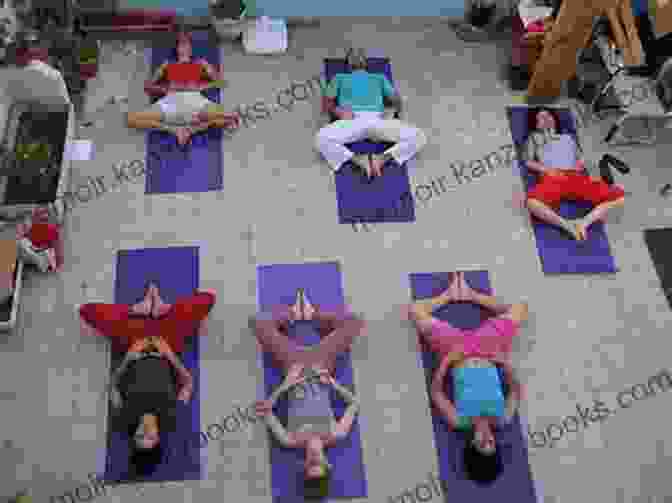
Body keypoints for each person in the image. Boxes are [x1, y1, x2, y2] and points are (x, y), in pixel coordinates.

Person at [77, 282, 216, 478]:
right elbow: (188, 383)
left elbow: (112, 388)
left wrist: (128, 358)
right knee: (207, 300)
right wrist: (168, 354)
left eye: (140, 436)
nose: (145, 430)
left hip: (135, 341)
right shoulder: (171, 415)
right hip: (167, 341)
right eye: (150, 436)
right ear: (158, 439)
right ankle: (160, 309)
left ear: (133, 436)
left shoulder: (126, 417)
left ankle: (138, 309)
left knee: (88, 312)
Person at [408, 272, 527, 486]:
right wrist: (504, 362)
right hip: (488, 348)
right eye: (492, 444)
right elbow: (516, 390)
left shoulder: (459, 420)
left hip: (457, 350)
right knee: (520, 308)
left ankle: (448, 296)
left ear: (472, 445)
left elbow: (436, 392)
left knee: (415, 310)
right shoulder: (503, 417)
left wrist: (447, 361)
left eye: (483, 444)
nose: (488, 439)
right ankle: (471, 295)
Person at [253, 289, 364, 499]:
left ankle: (293, 314)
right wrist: (331, 383)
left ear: (304, 465)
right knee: (356, 321)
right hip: (322, 363)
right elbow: (354, 404)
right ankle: (314, 315)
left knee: (257, 322)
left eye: (309, 464)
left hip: (292, 363)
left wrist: (286, 384)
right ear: (328, 464)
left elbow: (264, 409)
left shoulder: (289, 439)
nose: (313, 458)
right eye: (318, 463)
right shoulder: (336, 433)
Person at [316, 48, 427, 179]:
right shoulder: (340, 77)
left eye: (360, 54)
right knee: (320, 138)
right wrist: (337, 111)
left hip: (378, 119)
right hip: (351, 120)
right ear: (349, 62)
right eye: (353, 55)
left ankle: (380, 159)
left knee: (419, 136)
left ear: (365, 61)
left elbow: (397, 100)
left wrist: (392, 110)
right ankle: (358, 160)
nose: (357, 56)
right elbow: (326, 103)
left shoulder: (378, 77)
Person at [524, 108, 625, 241]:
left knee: (619, 197)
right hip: (554, 177)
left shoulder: (568, 137)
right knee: (531, 202)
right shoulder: (534, 138)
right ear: (536, 124)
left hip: (576, 176)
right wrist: (547, 170)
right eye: (541, 118)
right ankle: (567, 226)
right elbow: (528, 161)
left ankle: (583, 223)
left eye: (548, 116)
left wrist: (580, 163)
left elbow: (580, 157)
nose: (547, 119)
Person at [127, 30, 240, 146]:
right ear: (177, 48)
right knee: (132, 119)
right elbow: (148, 86)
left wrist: (200, 87)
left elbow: (221, 83)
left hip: (195, 101)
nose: (184, 47)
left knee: (232, 118)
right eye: (181, 44)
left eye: (187, 44)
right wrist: (167, 89)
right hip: (171, 102)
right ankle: (175, 130)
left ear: (191, 48)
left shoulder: (201, 63)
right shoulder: (167, 64)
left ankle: (191, 130)